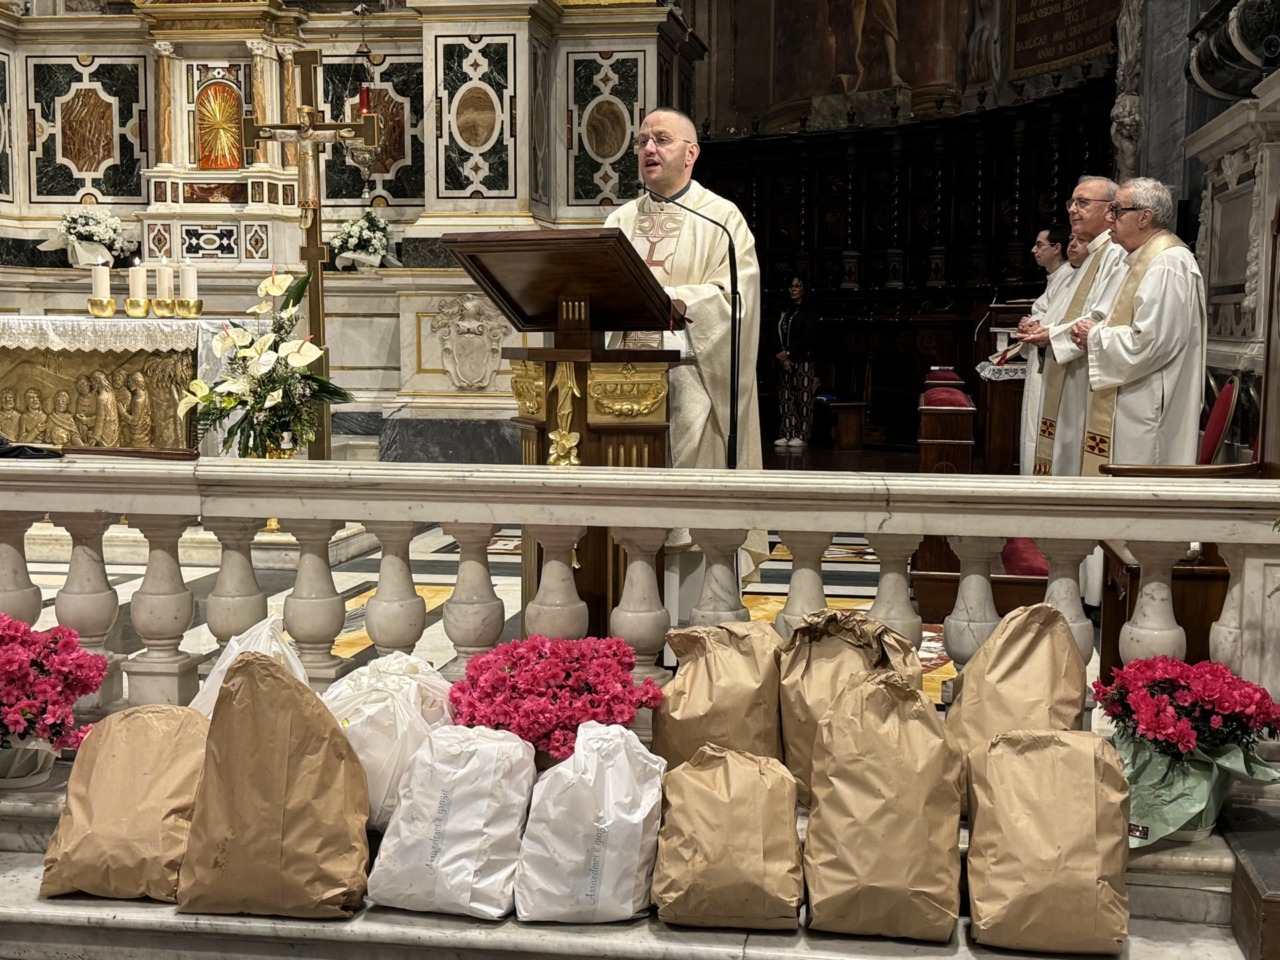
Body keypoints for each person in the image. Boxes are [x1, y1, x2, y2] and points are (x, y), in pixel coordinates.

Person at [604, 106, 766, 572]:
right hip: (618, 391)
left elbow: (737, 300)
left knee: (690, 516)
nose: (648, 148)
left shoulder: (721, 218)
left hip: (692, 384)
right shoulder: (619, 222)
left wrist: (672, 300)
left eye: (661, 139)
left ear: (691, 153)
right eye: (641, 141)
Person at [1067, 178, 1206, 470]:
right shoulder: (1141, 259)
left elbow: (1151, 343)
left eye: (1117, 210)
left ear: (1145, 217)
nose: (1109, 218)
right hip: (1133, 396)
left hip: (1147, 405)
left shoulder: (1168, 263)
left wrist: (1095, 337)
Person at [1015, 175, 1128, 477]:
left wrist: (1050, 334)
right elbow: (1066, 314)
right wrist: (1044, 329)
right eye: (1072, 203)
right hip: (1070, 371)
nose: (1073, 210)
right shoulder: (1091, 258)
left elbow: (1101, 317)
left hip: (1086, 377)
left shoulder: (1114, 254)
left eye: (1083, 202)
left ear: (1109, 211)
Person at [1015, 224, 1071, 475]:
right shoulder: (1055, 279)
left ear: (1057, 248)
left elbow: (1060, 323)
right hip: (1041, 361)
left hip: (1051, 363)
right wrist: (1030, 324)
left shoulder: (1069, 276)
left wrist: (1036, 325)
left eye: (1040, 245)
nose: (1034, 250)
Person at [774, 276, 818, 448]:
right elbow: (774, 331)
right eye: (791, 286)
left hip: (801, 359)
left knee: (803, 397)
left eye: (797, 286)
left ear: (803, 289)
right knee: (786, 397)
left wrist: (790, 353)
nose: (793, 289)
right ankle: (787, 432)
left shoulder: (809, 311)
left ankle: (802, 434)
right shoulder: (785, 310)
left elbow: (808, 336)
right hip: (783, 360)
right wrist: (781, 353)